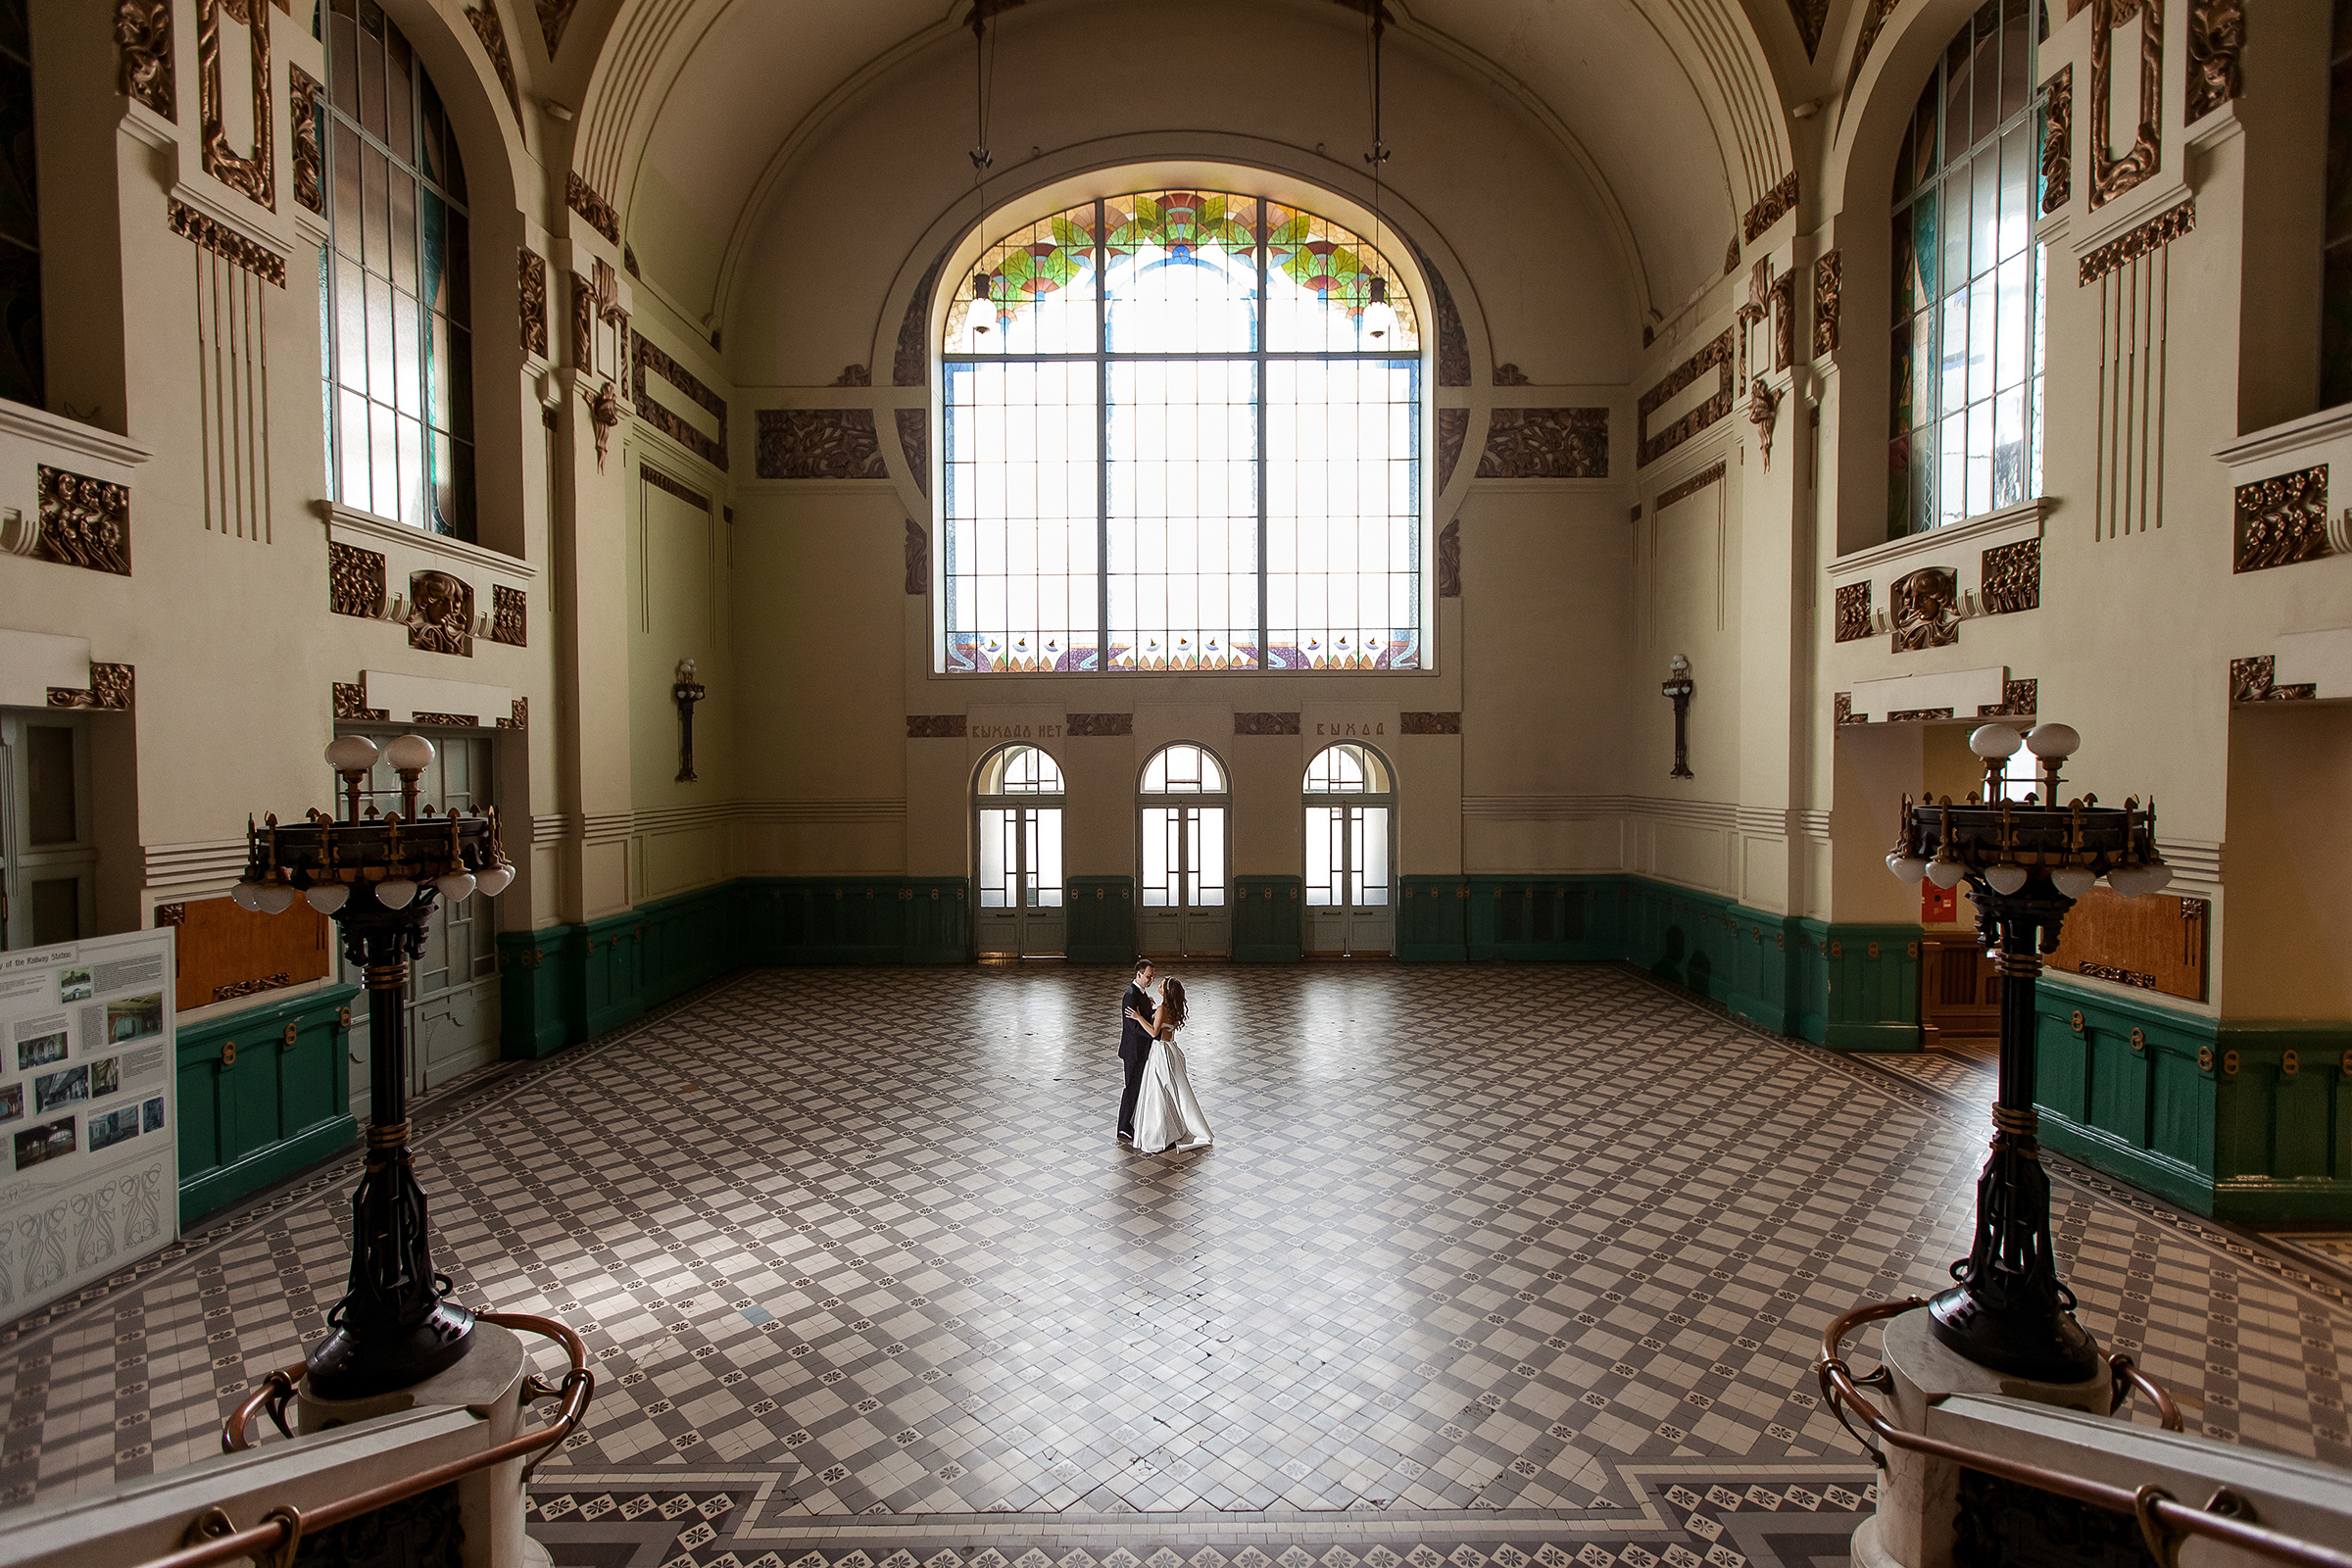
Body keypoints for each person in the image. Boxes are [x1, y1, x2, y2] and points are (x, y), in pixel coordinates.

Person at [1127, 976, 1213, 1154]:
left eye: (1161, 985)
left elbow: (1153, 1032)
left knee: (1157, 1090)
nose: (1158, 985)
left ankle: (1158, 1133)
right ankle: (1172, 1128)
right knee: (1169, 1090)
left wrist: (1138, 1017)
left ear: (1166, 991)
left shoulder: (1161, 1010)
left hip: (1160, 1051)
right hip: (1172, 1048)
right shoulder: (1172, 1008)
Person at [1116, 957, 1154, 1143]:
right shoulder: (1131, 995)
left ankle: (1130, 1122)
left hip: (1139, 1050)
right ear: (1138, 974)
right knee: (1131, 1088)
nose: (1150, 980)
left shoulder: (1141, 993)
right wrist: (1155, 1033)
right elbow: (1133, 1026)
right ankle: (1123, 1127)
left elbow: (1142, 1017)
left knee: (1136, 1087)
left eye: (1152, 977)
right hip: (1133, 1051)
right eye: (1148, 976)